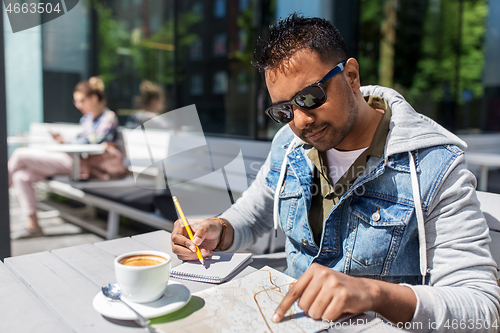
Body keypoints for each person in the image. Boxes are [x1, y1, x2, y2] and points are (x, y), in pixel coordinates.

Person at [171, 14, 500, 331]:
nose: (300, 121)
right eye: (284, 109)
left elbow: (481, 310)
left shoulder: (434, 167)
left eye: (310, 97)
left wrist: (373, 294)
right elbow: (255, 212)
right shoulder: (288, 145)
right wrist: (218, 228)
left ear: (352, 76)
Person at [9, 77, 124, 239]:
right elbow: (83, 140)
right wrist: (65, 141)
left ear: (94, 98)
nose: (78, 106)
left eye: (81, 101)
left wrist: (74, 142)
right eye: (76, 102)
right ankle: (33, 226)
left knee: (19, 155)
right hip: (71, 161)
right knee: (21, 176)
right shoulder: (87, 119)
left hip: (82, 166)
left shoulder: (108, 118)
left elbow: (95, 143)